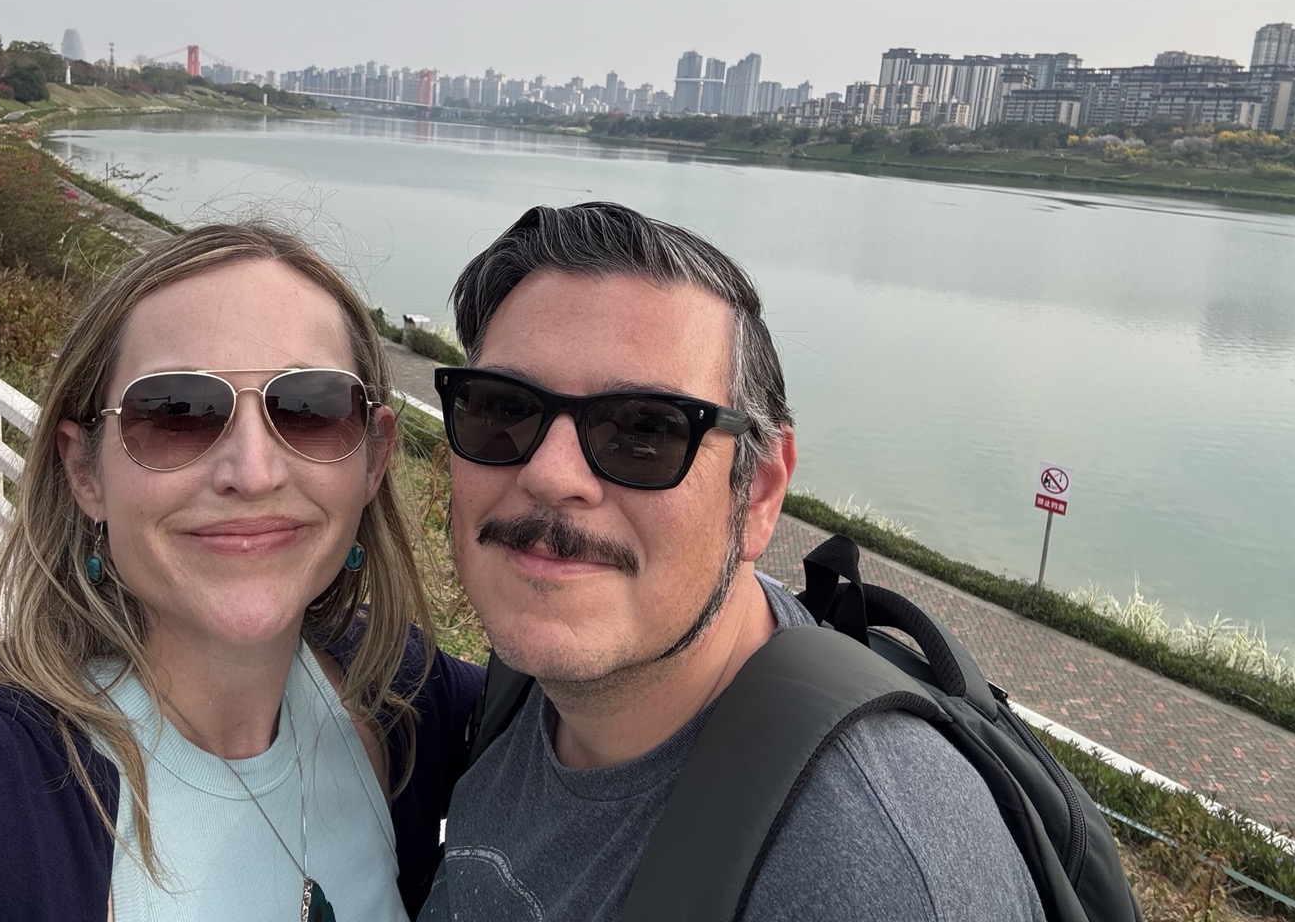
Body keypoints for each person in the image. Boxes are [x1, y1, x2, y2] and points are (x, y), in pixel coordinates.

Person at [0, 221, 482, 921]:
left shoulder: (399, 693)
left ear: (374, 458)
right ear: (84, 471)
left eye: (310, 408)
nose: (253, 472)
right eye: (177, 412)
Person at [421, 202, 1045, 921]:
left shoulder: (865, 874)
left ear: (758, 494)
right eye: (502, 408)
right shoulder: (528, 683)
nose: (551, 474)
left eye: (646, 430)